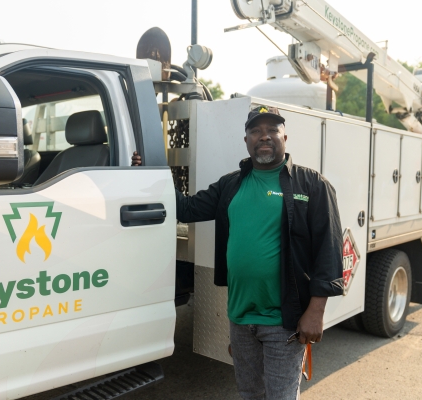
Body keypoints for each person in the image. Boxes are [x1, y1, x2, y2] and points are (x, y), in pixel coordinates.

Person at [132, 105, 343, 400]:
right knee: (248, 394)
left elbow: (329, 251)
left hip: (284, 321)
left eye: (272, 130)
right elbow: (187, 208)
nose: (264, 136)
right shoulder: (231, 184)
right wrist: (151, 175)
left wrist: (316, 312)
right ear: (246, 140)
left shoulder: (311, 184)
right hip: (241, 319)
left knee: (280, 396)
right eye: (256, 131)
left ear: (285, 136)